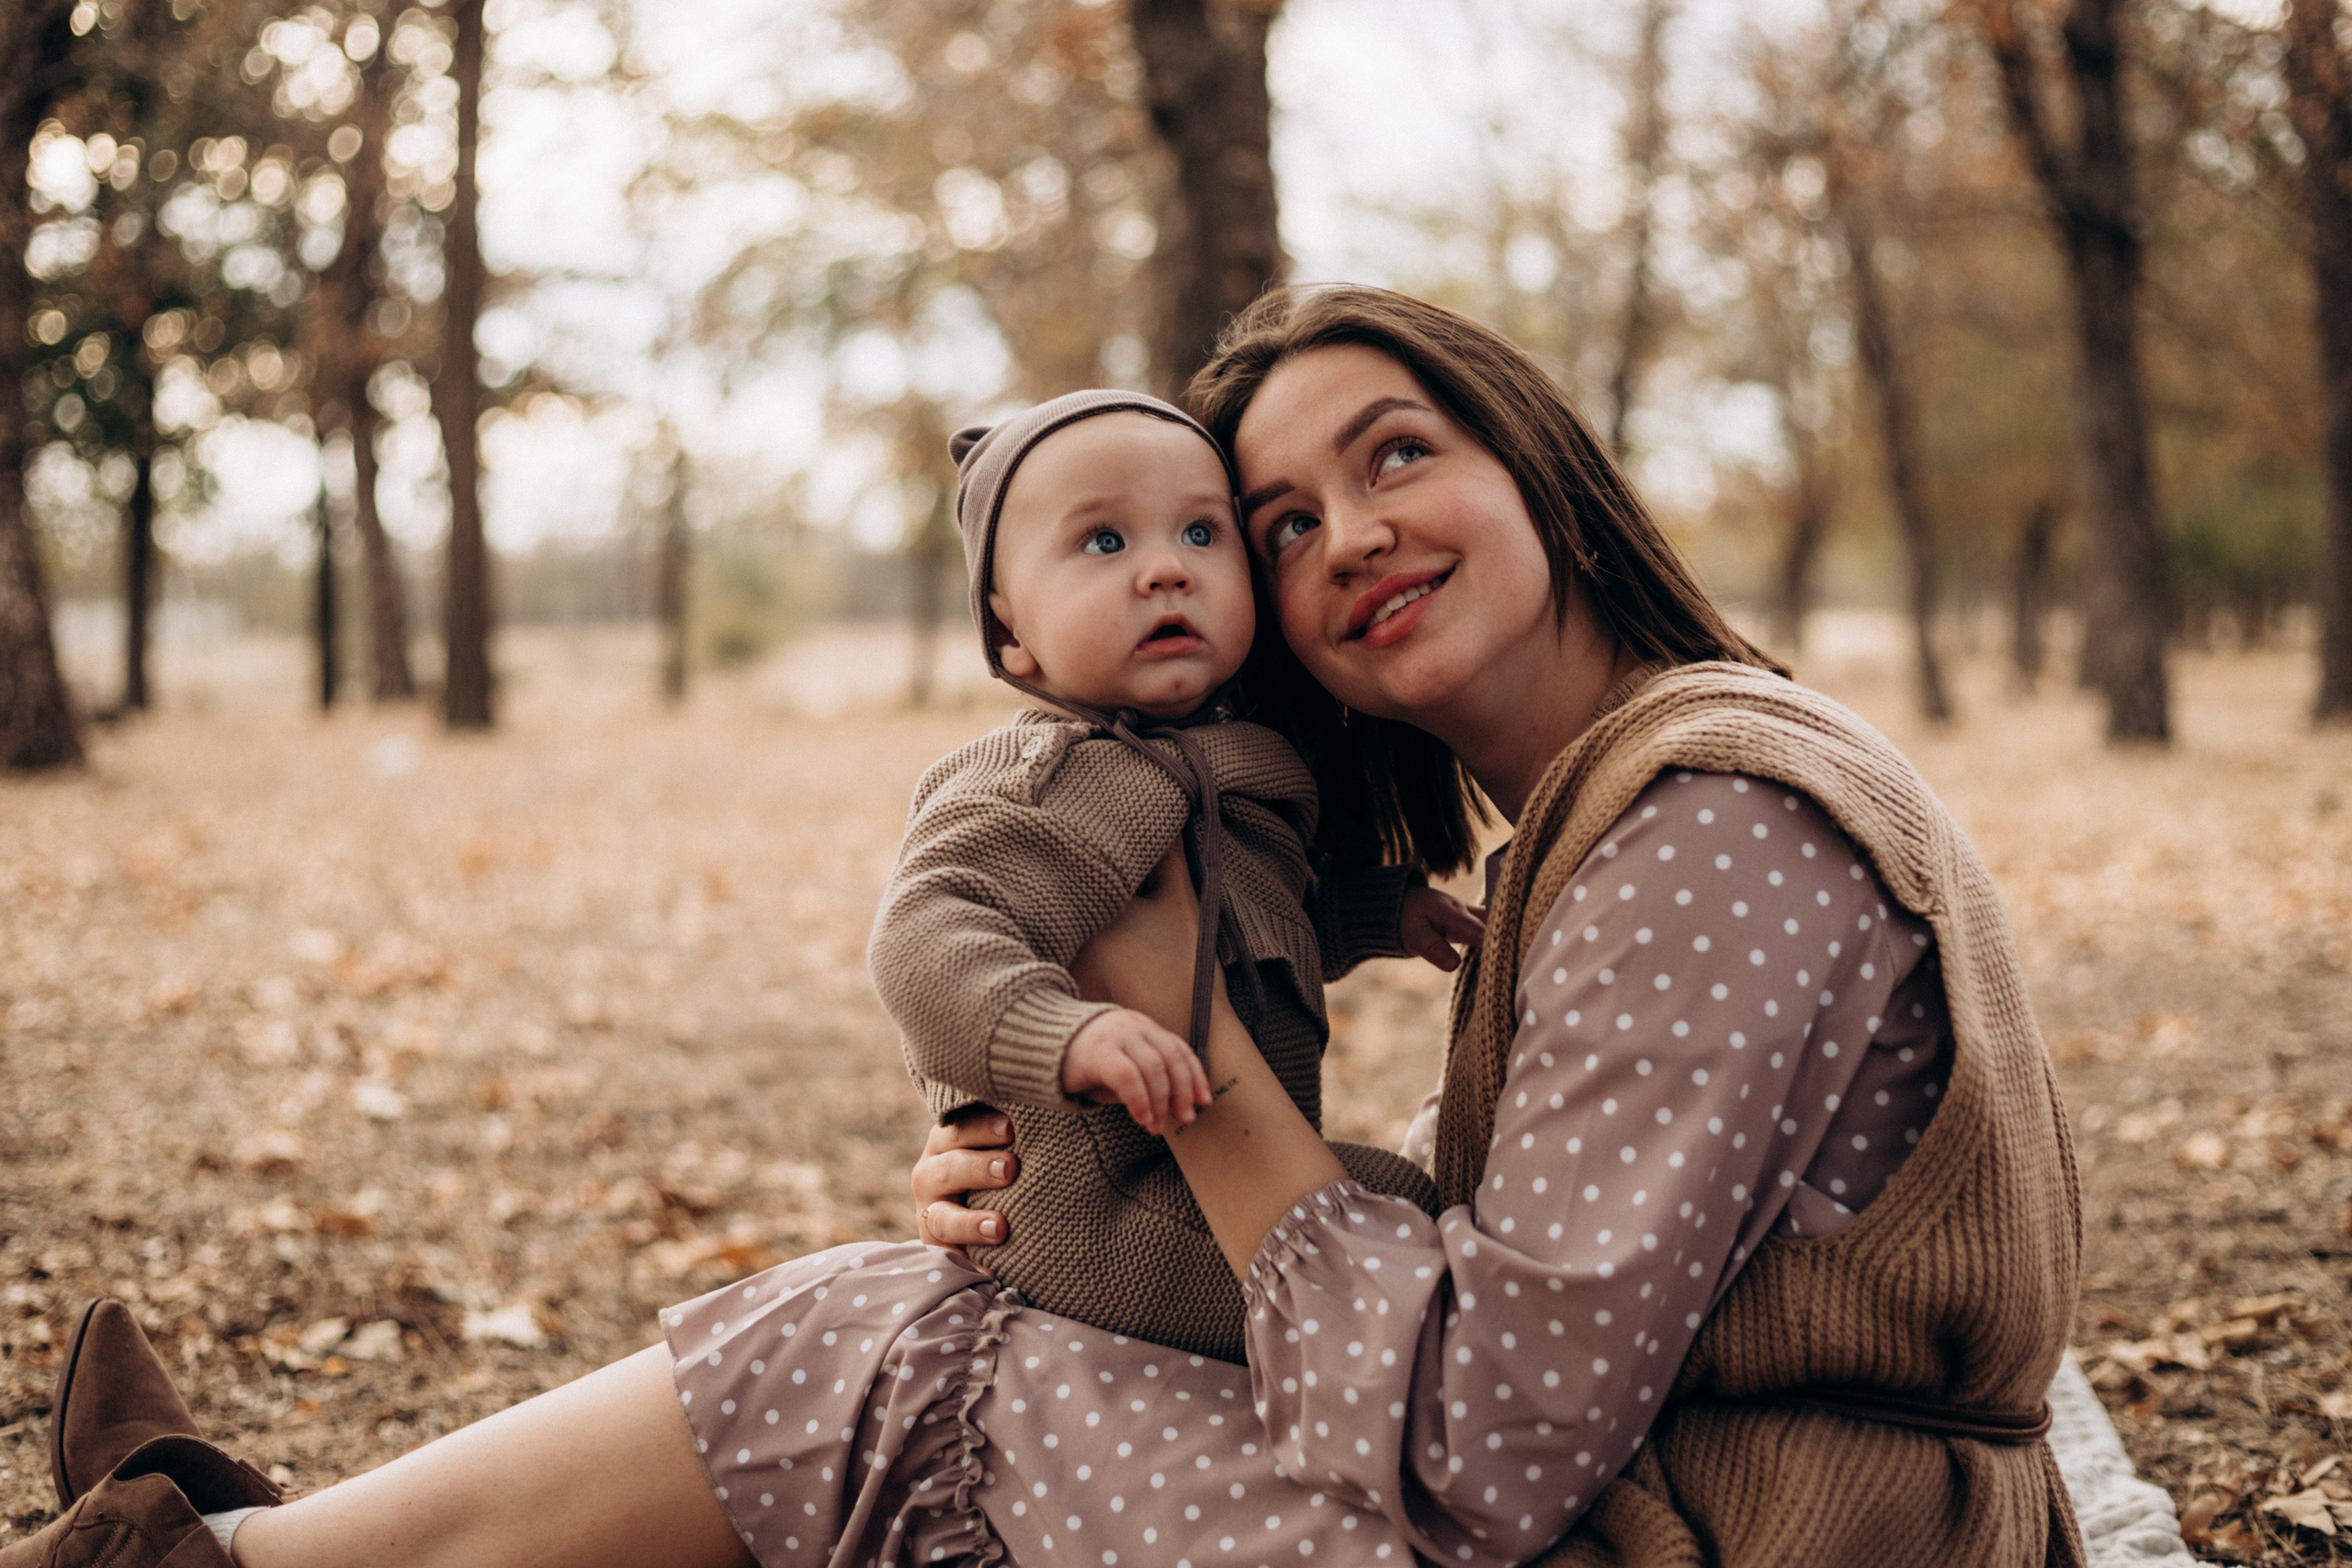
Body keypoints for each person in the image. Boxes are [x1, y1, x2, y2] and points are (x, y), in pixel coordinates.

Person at [10, 287, 2081, 1568]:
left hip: (1716, 1538)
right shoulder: (1633, 799)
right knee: (918, 1317)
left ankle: (198, 1553)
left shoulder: (1701, 822)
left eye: (1394, 456)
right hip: (1679, 1491)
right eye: (1276, 522)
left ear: (1529, 457)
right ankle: (226, 1536)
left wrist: (1172, 1055)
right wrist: (1057, 1090)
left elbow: (1483, 1452)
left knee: (880, 1350)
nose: (1336, 536)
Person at [869, 388, 1472, 1364]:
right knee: (1394, 1273)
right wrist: (1067, 1032)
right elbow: (925, 936)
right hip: (1095, 1205)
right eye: (1102, 544)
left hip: (1217, 1171)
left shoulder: (1244, 767)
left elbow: (1260, 926)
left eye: (1201, 532)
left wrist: (1376, 911)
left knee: (1399, 1214)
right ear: (1010, 631)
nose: (1164, 571)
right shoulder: (1045, 780)